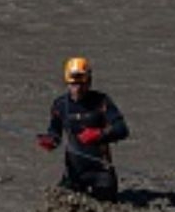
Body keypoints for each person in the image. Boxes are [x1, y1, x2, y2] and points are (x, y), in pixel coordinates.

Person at [35, 57, 130, 202]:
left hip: (101, 172)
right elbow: (55, 133)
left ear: (89, 81)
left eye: (81, 83)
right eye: (73, 84)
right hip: (74, 172)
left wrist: (99, 134)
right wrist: (50, 141)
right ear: (67, 83)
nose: (77, 88)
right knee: (60, 205)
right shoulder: (59, 105)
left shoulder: (102, 102)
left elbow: (122, 129)